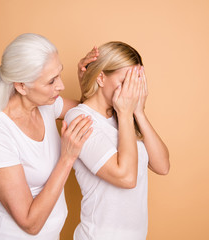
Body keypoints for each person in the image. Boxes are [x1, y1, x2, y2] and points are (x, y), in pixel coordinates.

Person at [0, 33, 98, 240]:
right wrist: (67, 158)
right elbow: (30, 223)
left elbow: (85, 111)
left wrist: (85, 80)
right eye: (51, 81)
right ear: (21, 86)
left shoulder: (45, 105)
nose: (61, 86)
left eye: (59, 75)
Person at [64, 41, 170, 240]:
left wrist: (138, 111)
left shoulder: (124, 115)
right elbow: (126, 178)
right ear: (101, 77)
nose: (131, 91)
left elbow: (162, 166)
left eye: (136, 83)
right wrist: (125, 113)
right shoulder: (79, 118)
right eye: (125, 82)